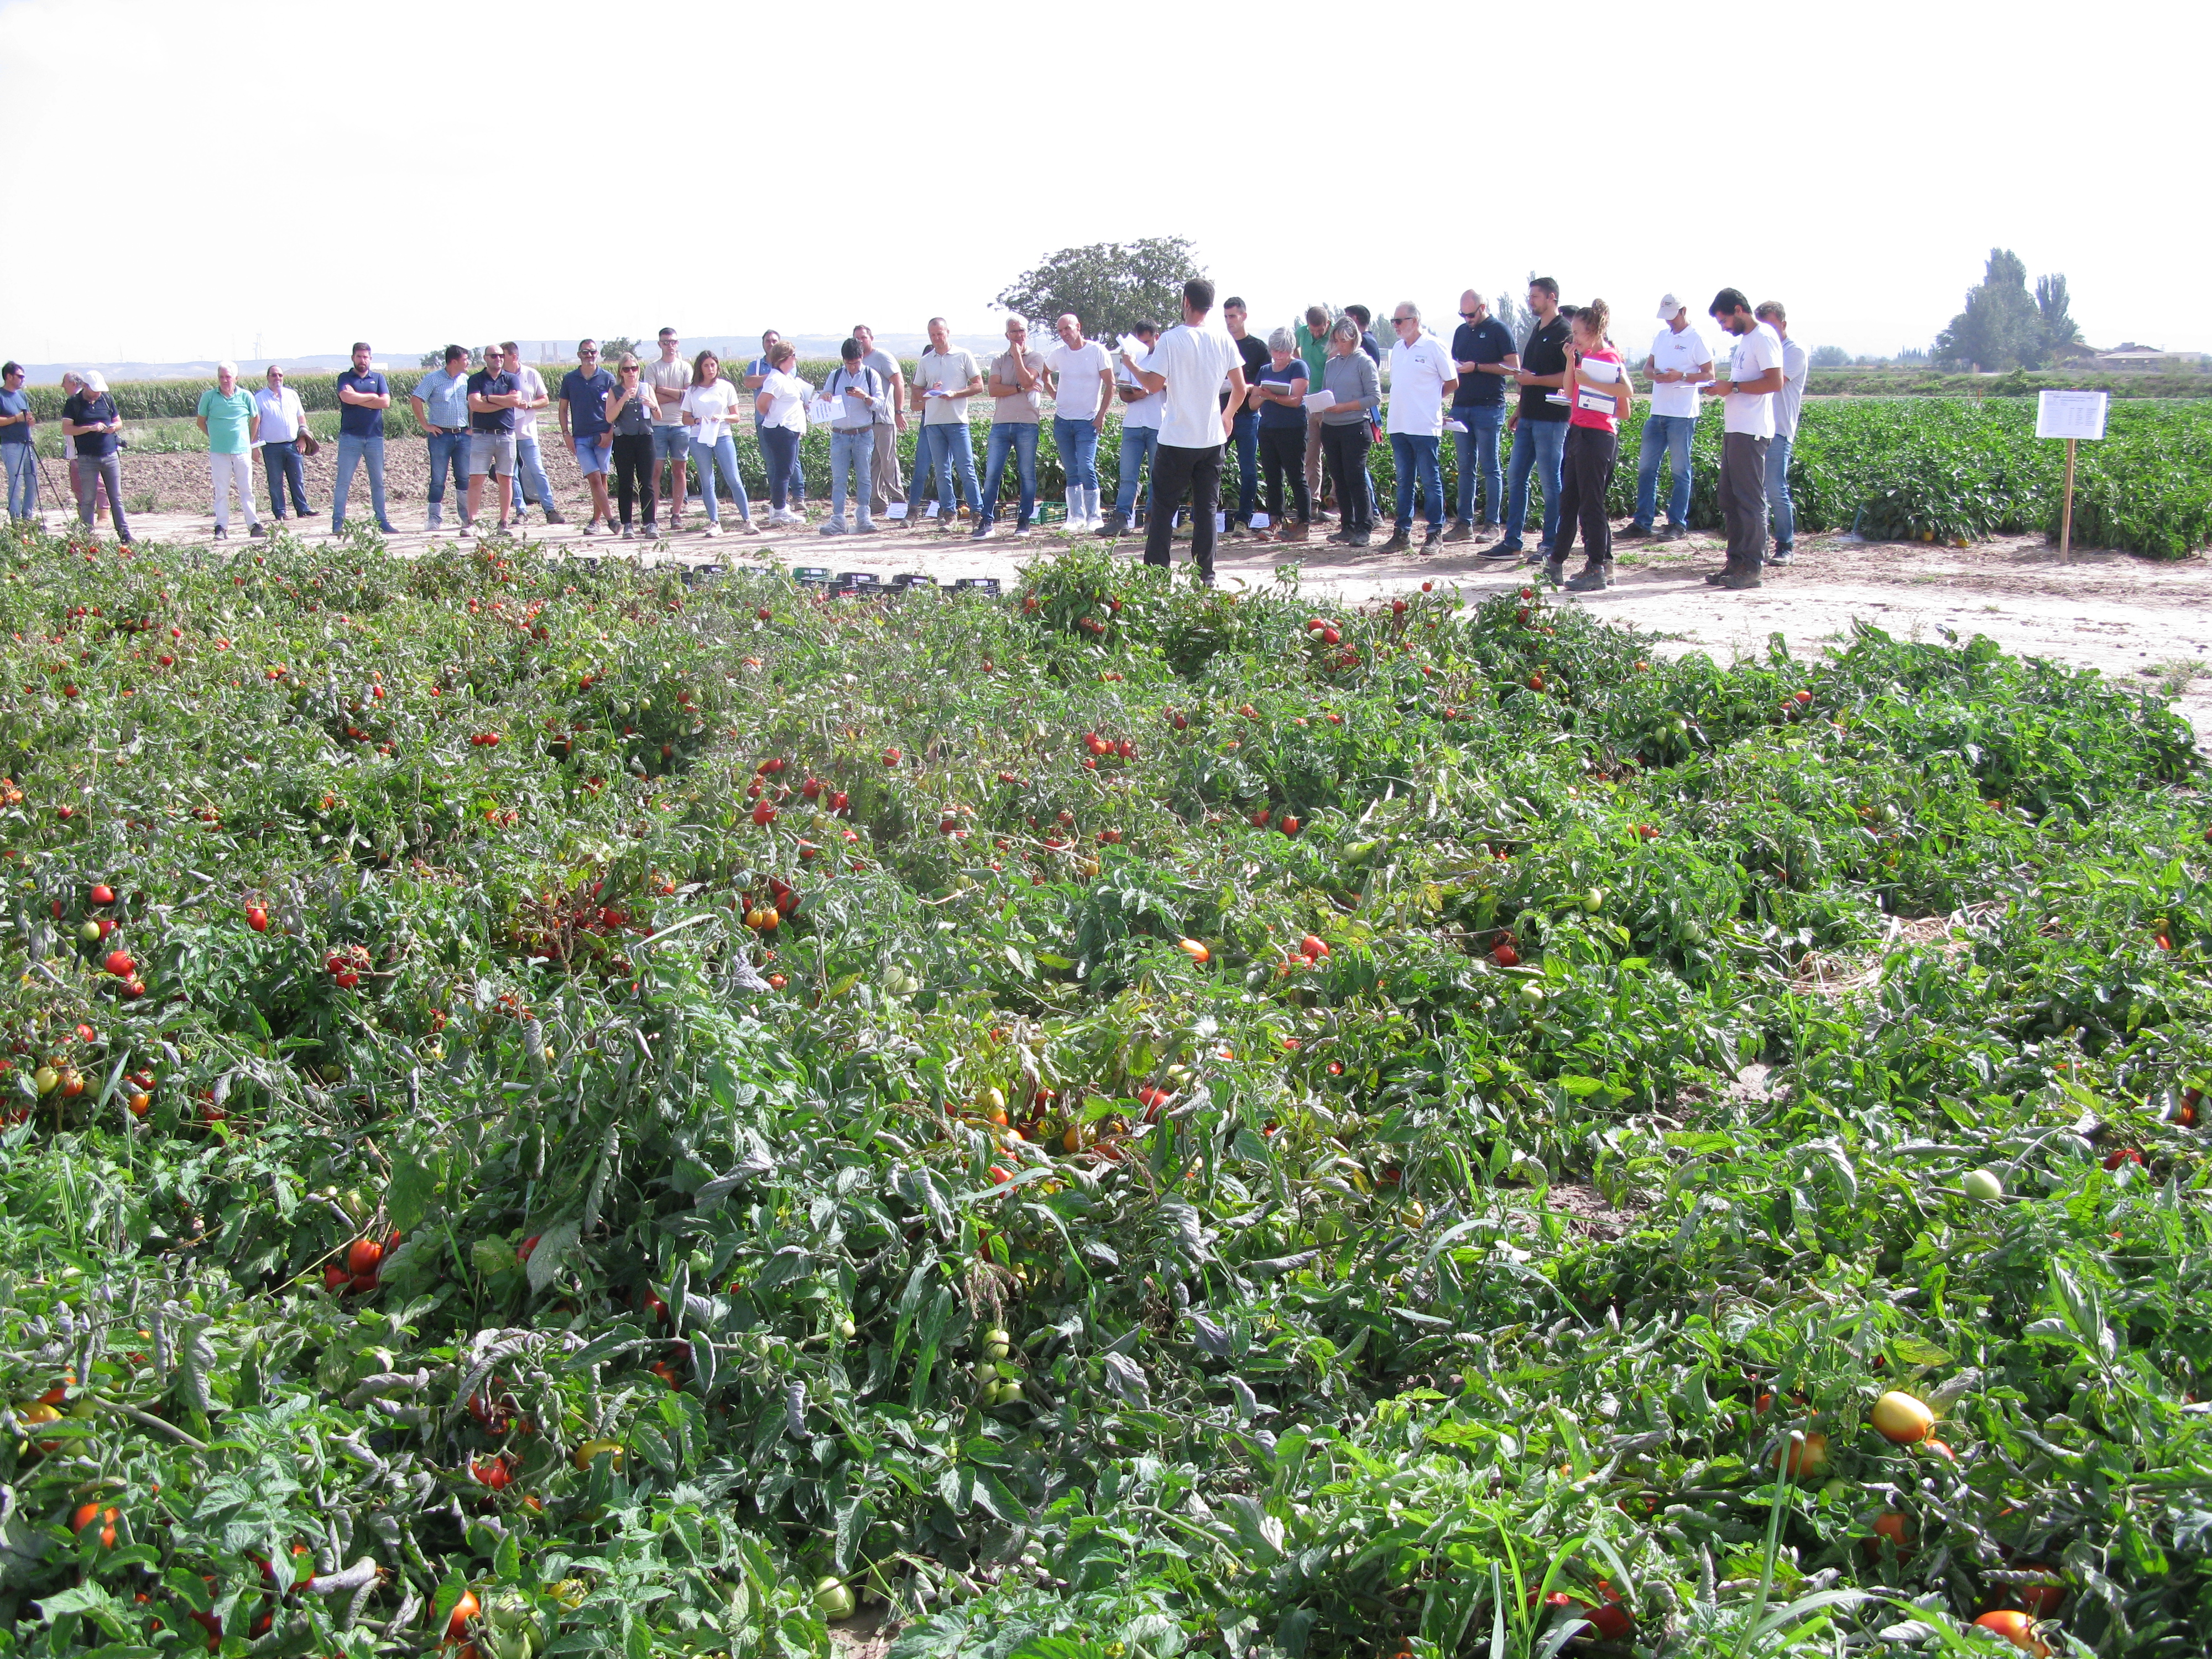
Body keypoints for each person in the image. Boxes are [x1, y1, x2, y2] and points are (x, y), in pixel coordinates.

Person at [1128, 277, 1245, 583]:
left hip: (1177, 437)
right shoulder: (1223, 339)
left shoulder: (1171, 338)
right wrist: (1228, 415)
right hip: (1211, 438)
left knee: (1165, 508)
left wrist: (1132, 365)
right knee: (1206, 509)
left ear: (1186, 302)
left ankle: (1157, 574)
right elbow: (1240, 388)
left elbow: (1153, 385)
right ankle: (1205, 574)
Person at [1701, 288, 1785, 589]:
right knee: (1730, 498)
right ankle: (1735, 561)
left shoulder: (1763, 337)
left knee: (1749, 499)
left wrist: (1732, 387)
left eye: (1724, 321)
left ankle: (1752, 566)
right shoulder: (1748, 341)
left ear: (1739, 310)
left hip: (1751, 430)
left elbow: (1774, 382)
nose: (1724, 328)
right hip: (1736, 428)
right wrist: (1723, 387)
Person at [1551, 298, 1634, 592]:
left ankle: (1597, 565)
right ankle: (1567, 560)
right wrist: (1570, 362)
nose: (1573, 338)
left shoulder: (1609, 357)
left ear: (1594, 331)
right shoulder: (1584, 358)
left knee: (1590, 504)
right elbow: (1572, 390)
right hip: (1579, 432)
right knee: (1572, 500)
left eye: (1578, 333)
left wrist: (1593, 382)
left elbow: (1627, 391)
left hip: (1597, 437)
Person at [1490, 277, 1572, 565]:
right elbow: (1528, 374)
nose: (1530, 301)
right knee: (1517, 476)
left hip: (1552, 418)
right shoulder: (1538, 329)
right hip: (1529, 416)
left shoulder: (1565, 332)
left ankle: (1551, 544)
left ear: (1552, 297)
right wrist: (1519, 409)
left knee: (1551, 483)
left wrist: (1534, 381)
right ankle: (1513, 542)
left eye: (1535, 296)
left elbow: (1568, 378)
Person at [1627, 293, 1713, 541]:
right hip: (1658, 411)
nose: (1668, 322)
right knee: (1646, 468)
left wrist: (1682, 377)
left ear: (1683, 311)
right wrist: (1655, 375)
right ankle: (1642, 522)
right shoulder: (1662, 337)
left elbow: (1709, 374)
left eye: (1672, 317)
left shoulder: (1697, 338)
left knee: (1679, 470)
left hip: (1682, 414)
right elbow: (1647, 368)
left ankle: (1677, 523)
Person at [1382, 302, 1457, 555]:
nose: (1395, 326)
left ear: (1415, 321)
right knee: (1404, 480)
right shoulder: (1397, 348)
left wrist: (1431, 401)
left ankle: (1435, 532)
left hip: (1425, 425)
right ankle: (1402, 533)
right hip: (1399, 424)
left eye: (1399, 321)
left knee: (1429, 479)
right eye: (1394, 321)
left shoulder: (1434, 346)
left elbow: (1452, 382)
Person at [1443, 290, 1518, 542]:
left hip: (1489, 406)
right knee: (1465, 468)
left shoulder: (1499, 330)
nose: (1467, 319)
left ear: (1483, 307)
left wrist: (1477, 367)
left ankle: (1492, 524)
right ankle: (1464, 523)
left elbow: (1513, 367)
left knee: (1490, 467)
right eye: (1463, 315)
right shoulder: (1461, 332)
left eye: (1471, 314)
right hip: (1462, 405)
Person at [977, 314, 1047, 541]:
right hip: (1001, 423)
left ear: (1027, 332)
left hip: (1027, 424)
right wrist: (1019, 387)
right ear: (1007, 334)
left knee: (1027, 474)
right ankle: (986, 522)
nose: (1018, 335)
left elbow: (1030, 381)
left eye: (1022, 331)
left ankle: (1024, 521)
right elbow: (994, 390)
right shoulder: (998, 359)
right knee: (992, 475)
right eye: (1013, 331)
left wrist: (1018, 357)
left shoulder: (1036, 357)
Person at [912, 316, 985, 531]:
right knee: (942, 471)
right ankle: (949, 514)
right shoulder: (926, 361)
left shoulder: (963, 355)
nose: (937, 338)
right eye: (933, 335)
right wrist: (930, 391)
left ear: (947, 333)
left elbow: (979, 385)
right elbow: (916, 391)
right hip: (934, 423)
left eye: (940, 334)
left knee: (966, 468)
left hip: (957, 421)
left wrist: (956, 394)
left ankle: (977, 513)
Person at [1044, 312, 1112, 533]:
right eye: (1061, 331)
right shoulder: (1058, 354)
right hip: (1063, 421)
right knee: (1071, 470)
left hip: (1088, 421)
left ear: (1078, 327)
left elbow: (1110, 384)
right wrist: (1054, 393)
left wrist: (1101, 415)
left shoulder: (1096, 352)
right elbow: (1045, 373)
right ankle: (1075, 517)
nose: (1065, 334)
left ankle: (1094, 516)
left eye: (1068, 329)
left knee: (1086, 466)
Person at [1243, 327, 1310, 544]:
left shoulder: (1298, 367)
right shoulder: (1264, 370)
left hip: (1292, 428)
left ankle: (1303, 523)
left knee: (1295, 475)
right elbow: (1253, 403)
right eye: (1275, 351)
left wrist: (1271, 396)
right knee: (1272, 477)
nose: (1279, 356)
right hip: (1268, 427)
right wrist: (1264, 396)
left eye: (1283, 352)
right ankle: (1275, 520)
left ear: (1290, 350)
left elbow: (1296, 400)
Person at [1756, 300, 1809, 565]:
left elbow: (1773, 383)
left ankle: (1785, 545)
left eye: (1771, 326)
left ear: (1783, 324)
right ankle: (1760, 545)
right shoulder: (1766, 351)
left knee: (1776, 488)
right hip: (1758, 428)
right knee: (1758, 491)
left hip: (1779, 430)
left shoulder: (1793, 352)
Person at [1318, 319, 1379, 548]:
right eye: (1337, 340)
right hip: (1331, 426)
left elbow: (1374, 397)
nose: (1340, 345)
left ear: (1354, 339)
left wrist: (1345, 406)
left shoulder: (1364, 362)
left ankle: (1365, 526)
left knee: (1355, 477)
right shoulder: (1332, 363)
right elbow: (1327, 390)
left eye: (1344, 340)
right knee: (1339, 478)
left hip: (1355, 426)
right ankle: (1347, 525)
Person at [681, 349, 755, 538]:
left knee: (733, 478)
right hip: (699, 437)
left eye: (713, 365)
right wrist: (698, 420)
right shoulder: (693, 390)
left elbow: (736, 416)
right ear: (701, 368)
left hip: (722, 435)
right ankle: (714, 522)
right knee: (707, 480)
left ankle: (747, 520)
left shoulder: (726, 387)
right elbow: (685, 418)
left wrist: (722, 417)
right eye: (706, 365)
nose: (710, 369)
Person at [1100, 321, 1161, 538]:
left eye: (1147, 341)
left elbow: (1165, 386)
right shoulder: (1131, 358)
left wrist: (1148, 388)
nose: (1143, 346)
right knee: (1128, 475)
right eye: (1140, 342)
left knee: (1157, 475)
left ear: (1157, 336)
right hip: (1133, 424)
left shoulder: (1163, 359)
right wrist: (1138, 394)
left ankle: (1152, 519)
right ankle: (1122, 519)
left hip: (1157, 424)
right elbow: (1123, 393)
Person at [820, 338, 884, 536]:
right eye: (849, 363)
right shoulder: (836, 375)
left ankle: (864, 517)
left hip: (863, 433)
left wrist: (864, 397)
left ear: (862, 358)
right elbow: (825, 395)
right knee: (839, 478)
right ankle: (838, 519)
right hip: (840, 435)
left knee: (864, 477)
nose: (853, 367)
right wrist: (826, 396)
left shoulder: (870, 375)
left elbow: (880, 404)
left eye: (856, 363)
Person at [331, 342, 397, 536]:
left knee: (378, 482)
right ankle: (338, 521)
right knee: (344, 481)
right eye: (359, 356)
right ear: (353, 358)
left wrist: (359, 396)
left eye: (366, 357)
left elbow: (385, 402)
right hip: (350, 437)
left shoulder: (378, 378)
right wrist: (371, 398)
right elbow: (346, 398)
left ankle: (382, 520)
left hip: (374, 438)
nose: (362, 360)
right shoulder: (345, 378)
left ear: (370, 359)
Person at [195, 361, 264, 540]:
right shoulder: (209, 397)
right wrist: (214, 436)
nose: (225, 380)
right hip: (219, 452)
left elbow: (255, 418)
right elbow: (201, 422)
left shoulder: (246, 396)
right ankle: (221, 526)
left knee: (246, 489)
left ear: (236, 378)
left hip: (242, 451)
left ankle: (254, 524)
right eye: (222, 377)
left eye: (228, 377)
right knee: (221, 490)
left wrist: (249, 440)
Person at [409, 345, 474, 533]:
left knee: (464, 478)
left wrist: (472, 427)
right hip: (441, 436)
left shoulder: (466, 380)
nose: (468, 363)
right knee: (438, 479)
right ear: (454, 361)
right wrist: (425, 425)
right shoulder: (433, 379)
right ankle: (434, 519)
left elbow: (471, 405)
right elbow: (416, 399)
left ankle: (466, 518)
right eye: (465, 360)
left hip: (463, 436)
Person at [61, 371, 131, 544]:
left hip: (110, 455)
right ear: (85, 387)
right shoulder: (73, 403)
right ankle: (87, 536)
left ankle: (124, 534)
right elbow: (67, 429)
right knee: (88, 499)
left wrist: (114, 427)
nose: (98, 393)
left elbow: (119, 422)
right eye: (95, 390)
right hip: (87, 458)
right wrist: (90, 428)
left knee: (116, 497)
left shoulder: (107, 400)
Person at [1220, 296, 1270, 534]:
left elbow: (1264, 384)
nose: (1229, 321)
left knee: (1248, 469)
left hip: (1248, 415)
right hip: (1221, 414)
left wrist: (1249, 388)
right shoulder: (1220, 344)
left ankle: (1243, 519)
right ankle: (1204, 516)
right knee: (1211, 465)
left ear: (1244, 317)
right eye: (1226, 317)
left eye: (1233, 316)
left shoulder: (1258, 348)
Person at [744, 329, 806, 520]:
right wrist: (773, 416)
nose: (795, 359)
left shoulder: (786, 377)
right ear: (785, 358)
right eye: (793, 356)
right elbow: (762, 403)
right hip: (781, 430)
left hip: (789, 429)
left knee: (785, 470)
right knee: (783, 471)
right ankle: (779, 510)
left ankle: (779, 507)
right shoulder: (776, 379)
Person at [558, 340, 617, 535]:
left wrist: (610, 433)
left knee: (602, 477)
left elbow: (617, 409)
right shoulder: (570, 379)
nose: (589, 355)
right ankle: (608, 520)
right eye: (585, 352)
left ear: (597, 354)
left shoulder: (607, 378)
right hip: (581, 437)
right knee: (593, 478)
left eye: (592, 352)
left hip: (602, 435)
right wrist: (566, 434)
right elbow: (563, 409)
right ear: (579, 355)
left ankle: (597, 520)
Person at [463, 343, 521, 534]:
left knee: (506, 479)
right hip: (482, 435)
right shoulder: (476, 379)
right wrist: (502, 401)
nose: (498, 359)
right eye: (494, 356)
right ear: (486, 358)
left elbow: (516, 401)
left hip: (506, 435)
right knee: (476, 479)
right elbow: (475, 405)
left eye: (500, 356)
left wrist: (487, 399)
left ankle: (504, 523)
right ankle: (471, 522)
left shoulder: (511, 379)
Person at [503, 341, 562, 526]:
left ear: (513, 357)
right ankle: (521, 511)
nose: (499, 360)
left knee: (537, 470)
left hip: (528, 432)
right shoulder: (500, 377)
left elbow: (544, 400)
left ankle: (550, 509)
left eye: (502, 356)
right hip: (507, 433)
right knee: (511, 473)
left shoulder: (531, 374)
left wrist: (529, 405)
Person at [852, 323, 906, 523]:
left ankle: (898, 501)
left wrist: (899, 411)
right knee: (872, 462)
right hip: (865, 421)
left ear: (871, 339)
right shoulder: (856, 362)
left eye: (863, 338)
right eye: (857, 339)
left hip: (883, 418)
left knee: (888, 460)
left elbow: (899, 382)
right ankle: (877, 502)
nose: (861, 341)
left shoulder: (882, 357)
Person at [606, 352, 659, 540]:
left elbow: (658, 416)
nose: (631, 373)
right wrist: (623, 400)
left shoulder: (646, 388)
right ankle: (627, 524)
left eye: (634, 369)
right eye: (626, 369)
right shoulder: (616, 391)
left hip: (645, 438)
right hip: (624, 440)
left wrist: (653, 405)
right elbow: (609, 417)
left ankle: (650, 523)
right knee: (626, 483)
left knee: (647, 483)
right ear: (621, 372)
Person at [644, 327, 692, 531]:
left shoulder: (685, 368)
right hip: (658, 425)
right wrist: (677, 394)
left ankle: (677, 514)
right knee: (655, 472)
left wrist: (661, 391)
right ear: (659, 344)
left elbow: (688, 395)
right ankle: (652, 516)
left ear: (677, 343)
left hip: (681, 424)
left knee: (680, 471)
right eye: (666, 342)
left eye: (673, 342)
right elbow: (650, 398)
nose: (669, 346)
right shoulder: (652, 368)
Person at [251, 365, 312, 523]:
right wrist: (255, 446)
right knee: (275, 480)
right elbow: (256, 423)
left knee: (297, 478)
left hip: (293, 444)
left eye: (280, 375)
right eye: (273, 375)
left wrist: (303, 438)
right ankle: (280, 512)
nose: (277, 378)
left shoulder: (292, 395)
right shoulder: (260, 398)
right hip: (271, 447)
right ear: (268, 378)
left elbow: (301, 419)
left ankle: (303, 509)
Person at [1293, 304, 1333, 518]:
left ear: (1328, 323)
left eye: (1320, 330)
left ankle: (1337, 500)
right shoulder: (1301, 332)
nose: (1316, 334)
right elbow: (1293, 346)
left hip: (1331, 402)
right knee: (1311, 454)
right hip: (1310, 402)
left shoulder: (1336, 335)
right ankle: (1313, 501)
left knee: (1335, 453)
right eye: (1313, 331)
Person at [0, 361, 33, 523]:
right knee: (17, 481)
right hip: (11, 445)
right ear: (9, 376)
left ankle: (28, 516)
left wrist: (29, 420)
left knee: (32, 481)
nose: (23, 379)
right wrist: (16, 419)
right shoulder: (1, 396)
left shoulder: (22, 396)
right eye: (20, 376)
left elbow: (25, 417)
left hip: (27, 442)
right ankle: (16, 518)